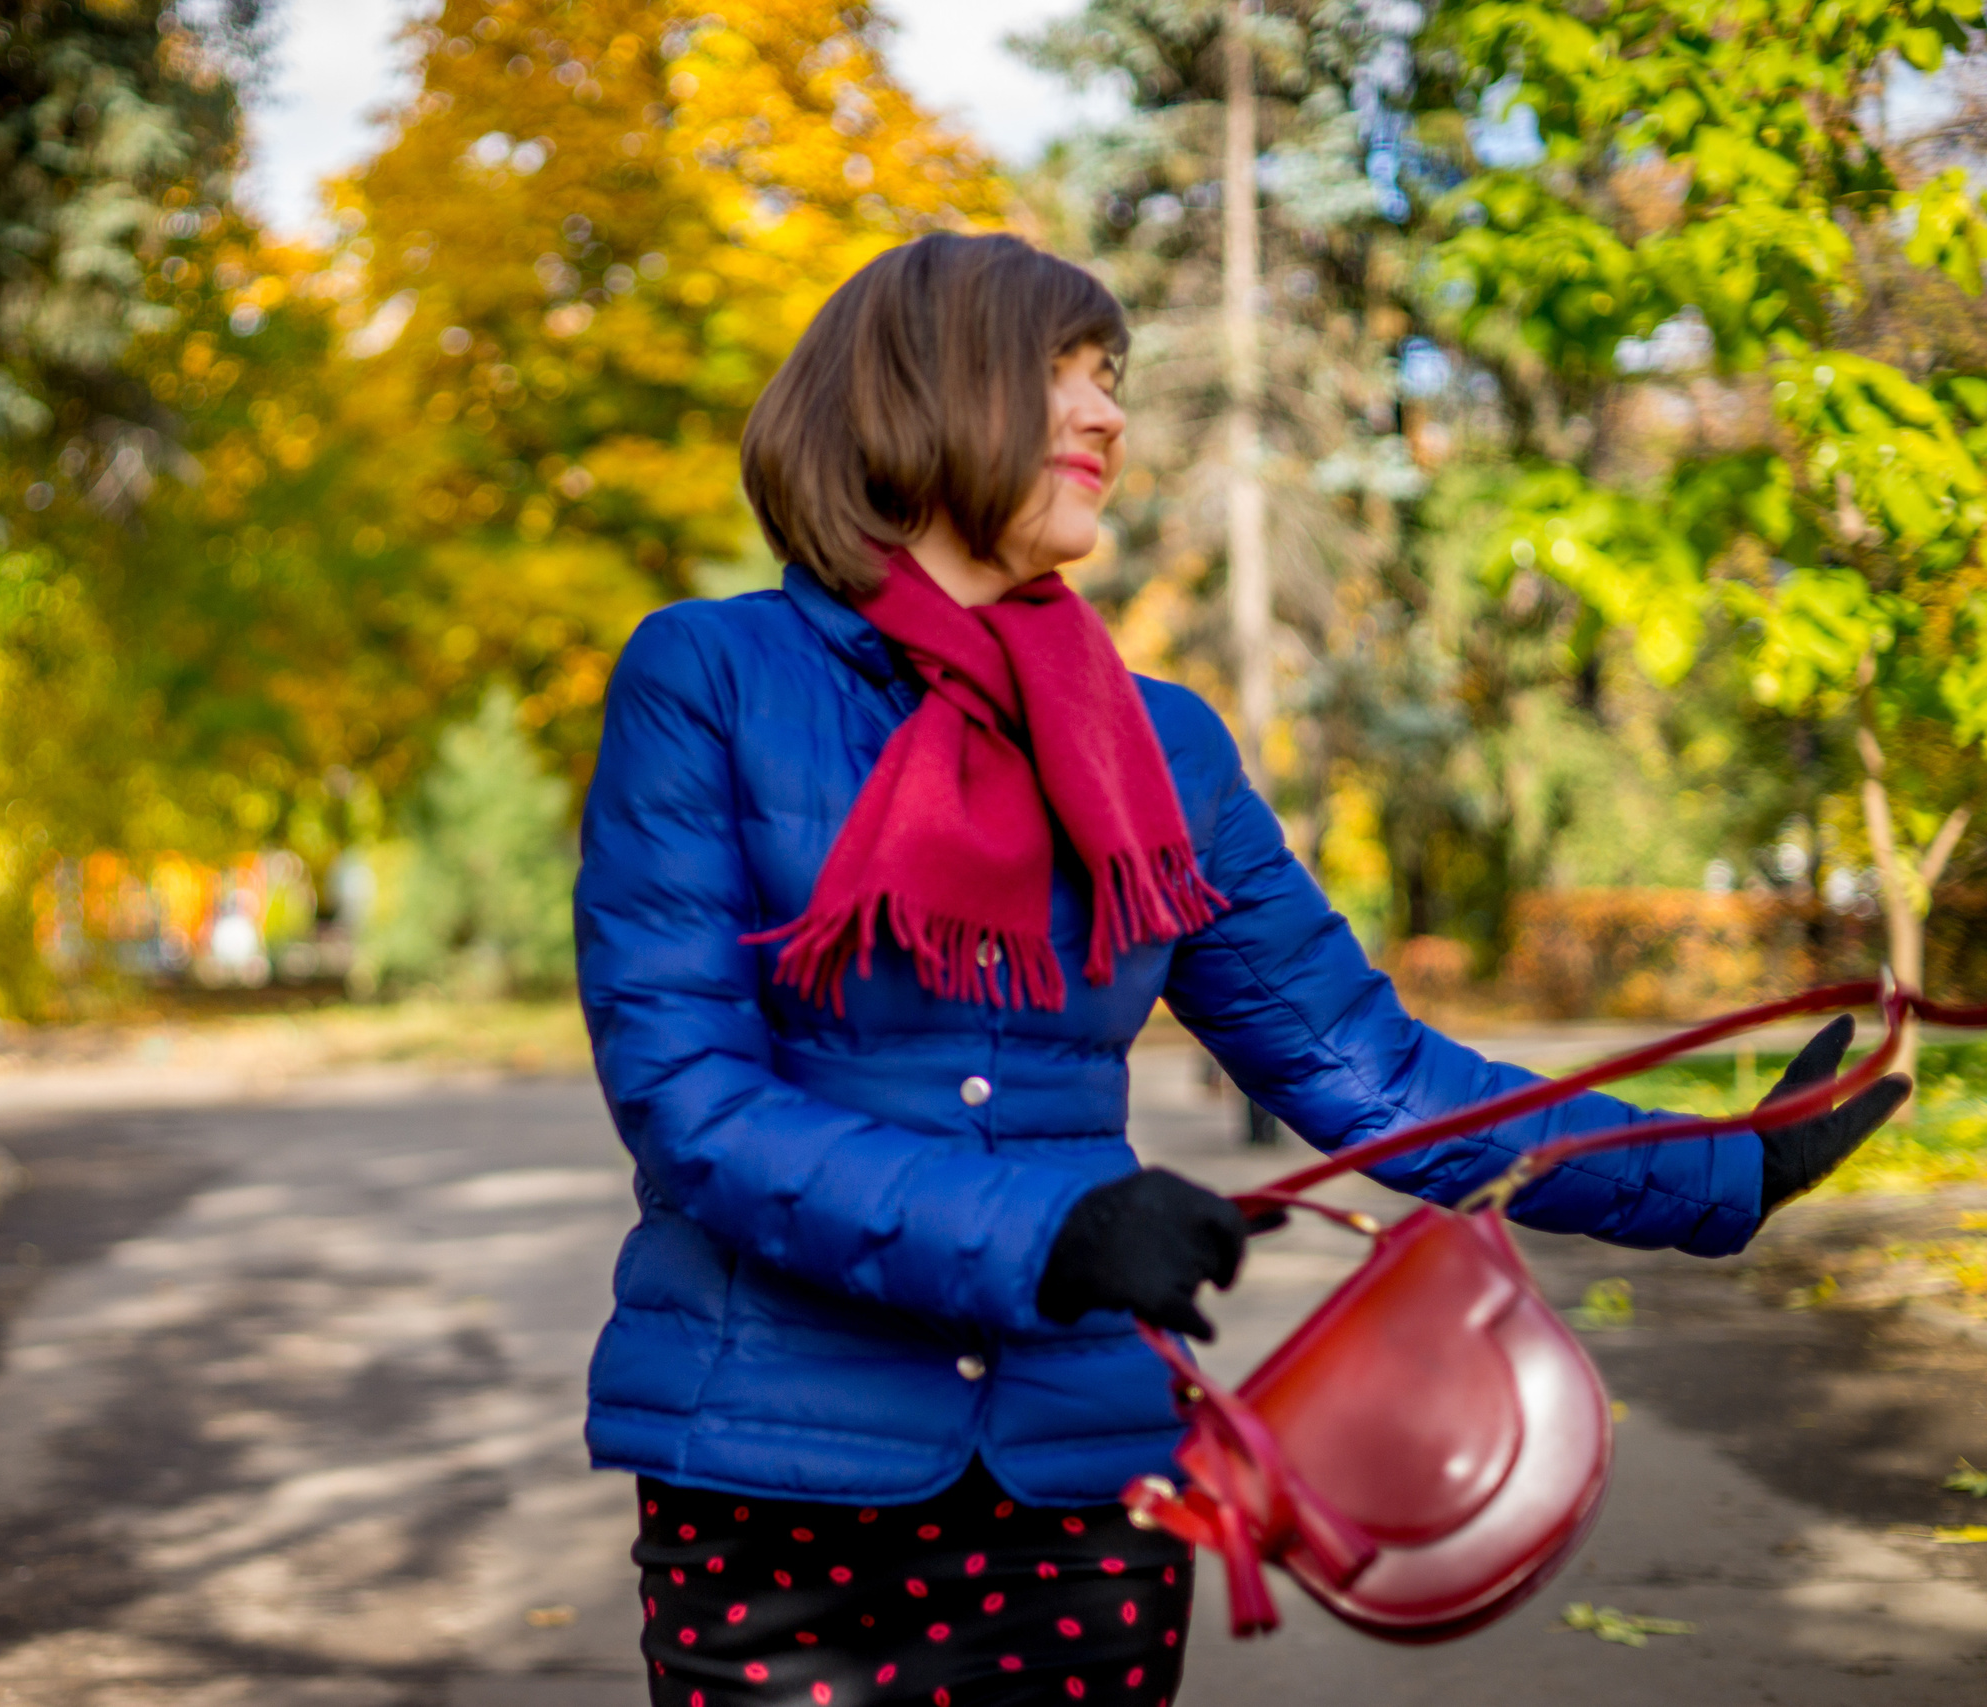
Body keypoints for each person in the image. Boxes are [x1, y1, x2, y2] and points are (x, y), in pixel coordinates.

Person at [571, 232, 1906, 1707]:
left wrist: (1718, 1170)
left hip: (1084, 1486)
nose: (1108, 418)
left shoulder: (1164, 746)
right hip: (779, 1489)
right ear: (920, 393)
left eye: (1113, 381)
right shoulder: (709, 677)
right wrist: (1049, 1234)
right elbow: (692, 1105)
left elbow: (1370, 1070)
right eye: (1063, 376)